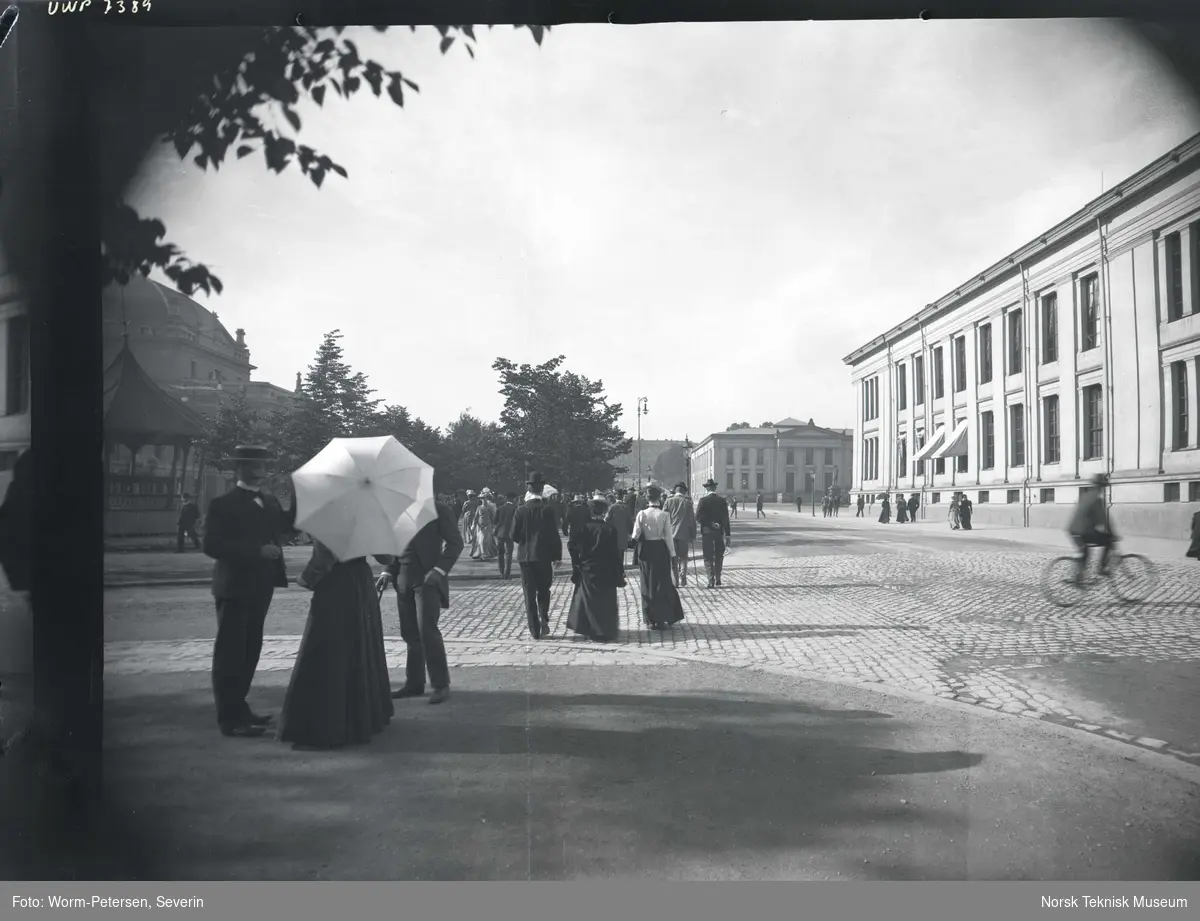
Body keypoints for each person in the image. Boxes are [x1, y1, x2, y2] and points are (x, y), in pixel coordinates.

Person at [202, 445, 297, 738]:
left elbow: (288, 527)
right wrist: (256, 551)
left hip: (261, 586)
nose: (263, 471)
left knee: (250, 651)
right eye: (257, 466)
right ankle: (229, 720)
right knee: (230, 654)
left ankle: (240, 709)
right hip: (233, 587)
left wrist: (299, 494)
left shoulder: (267, 502)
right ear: (240, 469)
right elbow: (212, 546)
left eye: (264, 466)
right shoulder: (223, 504)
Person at [277, 540, 394, 750]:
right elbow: (387, 557)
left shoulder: (332, 514)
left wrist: (305, 579)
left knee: (328, 650)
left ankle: (328, 725)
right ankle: (362, 718)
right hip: (361, 581)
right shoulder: (365, 515)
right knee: (360, 646)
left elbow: (323, 560)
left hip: (337, 583)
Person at [377, 498, 463, 705]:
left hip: (428, 580)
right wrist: (387, 572)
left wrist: (439, 571)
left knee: (427, 631)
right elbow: (395, 547)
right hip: (403, 580)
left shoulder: (439, 509)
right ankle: (414, 683)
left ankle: (441, 685)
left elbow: (455, 543)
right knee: (409, 633)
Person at [566, 496, 626, 642]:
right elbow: (614, 553)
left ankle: (589, 628)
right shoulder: (610, 529)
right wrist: (619, 571)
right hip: (606, 569)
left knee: (589, 600)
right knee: (605, 601)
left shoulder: (585, 528)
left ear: (591, 511)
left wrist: (578, 562)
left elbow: (571, 545)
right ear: (605, 511)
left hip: (588, 568)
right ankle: (604, 630)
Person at [511, 472, 562, 639]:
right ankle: (544, 615)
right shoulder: (547, 511)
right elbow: (554, 535)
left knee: (529, 594)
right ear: (542, 490)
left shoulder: (520, 511)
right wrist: (557, 556)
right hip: (544, 557)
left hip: (525, 557)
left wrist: (525, 543)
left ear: (528, 489)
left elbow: (513, 534)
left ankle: (534, 629)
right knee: (543, 589)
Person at [630, 485, 685, 629]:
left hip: (646, 550)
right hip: (660, 549)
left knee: (647, 583)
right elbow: (668, 537)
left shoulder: (641, 514)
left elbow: (635, 535)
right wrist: (672, 554)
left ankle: (650, 618)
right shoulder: (664, 515)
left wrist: (630, 544)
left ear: (647, 499)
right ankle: (662, 616)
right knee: (662, 582)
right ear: (659, 499)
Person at [1068, 474, 1117, 583]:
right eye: (1103, 487)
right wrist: (1112, 535)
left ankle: (1079, 576)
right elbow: (1103, 521)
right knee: (1107, 542)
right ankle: (1102, 568)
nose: (1104, 489)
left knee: (1084, 550)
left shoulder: (1085, 495)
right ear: (1101, 487)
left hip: (1072, 529)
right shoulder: (1097, 500)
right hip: (1083, 530)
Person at [695, 478, 732, 589]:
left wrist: (710, 523)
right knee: (719, 556)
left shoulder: (703, 501)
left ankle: (711, 580)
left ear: (706, 488)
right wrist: (728, 534)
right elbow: (726, 519)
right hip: (719, 532)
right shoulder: (721, 501)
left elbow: (698, 517)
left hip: (707, 532)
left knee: (708, 556)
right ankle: (718, 578)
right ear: (715, 488)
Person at [663, 483, 697, 588]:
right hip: (684, 534)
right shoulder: (687, 502)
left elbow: (663, 518)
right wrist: (693, 534)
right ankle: (683, 578)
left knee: (673, 558)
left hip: (670, 534)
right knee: (683, 557)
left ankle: (675, 581)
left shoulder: (668, 501)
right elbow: (692, 520)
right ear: (684, 491)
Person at [604, 488, 635, 571]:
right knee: (621, 552)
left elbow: (606, 520)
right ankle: (620, 570)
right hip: (623, 533)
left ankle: (614, 569)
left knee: (613, 552)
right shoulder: (626, 508)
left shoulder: (612, 507)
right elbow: (630, 521)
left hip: (613, 533)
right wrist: (630, 532)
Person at [494, 492, 518, 579]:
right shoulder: (515, 508)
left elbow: (495, 521)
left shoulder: (500, 508)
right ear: (513, 499)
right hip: (509, 533)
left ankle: (501, 571)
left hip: (500, 533)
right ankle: (507, 573)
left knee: (500, 553)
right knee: (509, 553)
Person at [472, 489, 498, 561]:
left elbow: (493, 517)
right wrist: (473, 525)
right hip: (480, 526)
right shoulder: (479, 507)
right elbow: (476, 517)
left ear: (487, 498)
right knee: (480, 540)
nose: (483, 500)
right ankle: (482, 554)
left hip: (488, 525)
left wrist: (494, 526)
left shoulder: (490, 507)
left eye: (484, 498)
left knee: (486, 540)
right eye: (482, 498)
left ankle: (485, 554)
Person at [460, 490, 480, 554]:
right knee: (473, 525)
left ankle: (469, 538)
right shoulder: (476, 502)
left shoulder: (466, 502)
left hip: (468, 514)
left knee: (467, 526)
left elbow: (463, 509)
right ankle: (473, 536)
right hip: (474, 514)